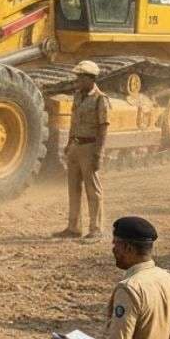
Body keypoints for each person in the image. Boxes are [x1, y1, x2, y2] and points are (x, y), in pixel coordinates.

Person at [55, 60, 109, 241]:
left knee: (93, 190)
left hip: (90, 147)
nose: (77, 80)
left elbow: (103, 128)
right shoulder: (78, 96)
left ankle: (96, 229)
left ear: (90, 78)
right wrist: (69, 143)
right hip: (76, 147)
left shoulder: (100, 99)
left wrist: (99, 153)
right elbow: (74, 122)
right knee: (74, 189)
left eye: (81, 77)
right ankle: (74, 227)